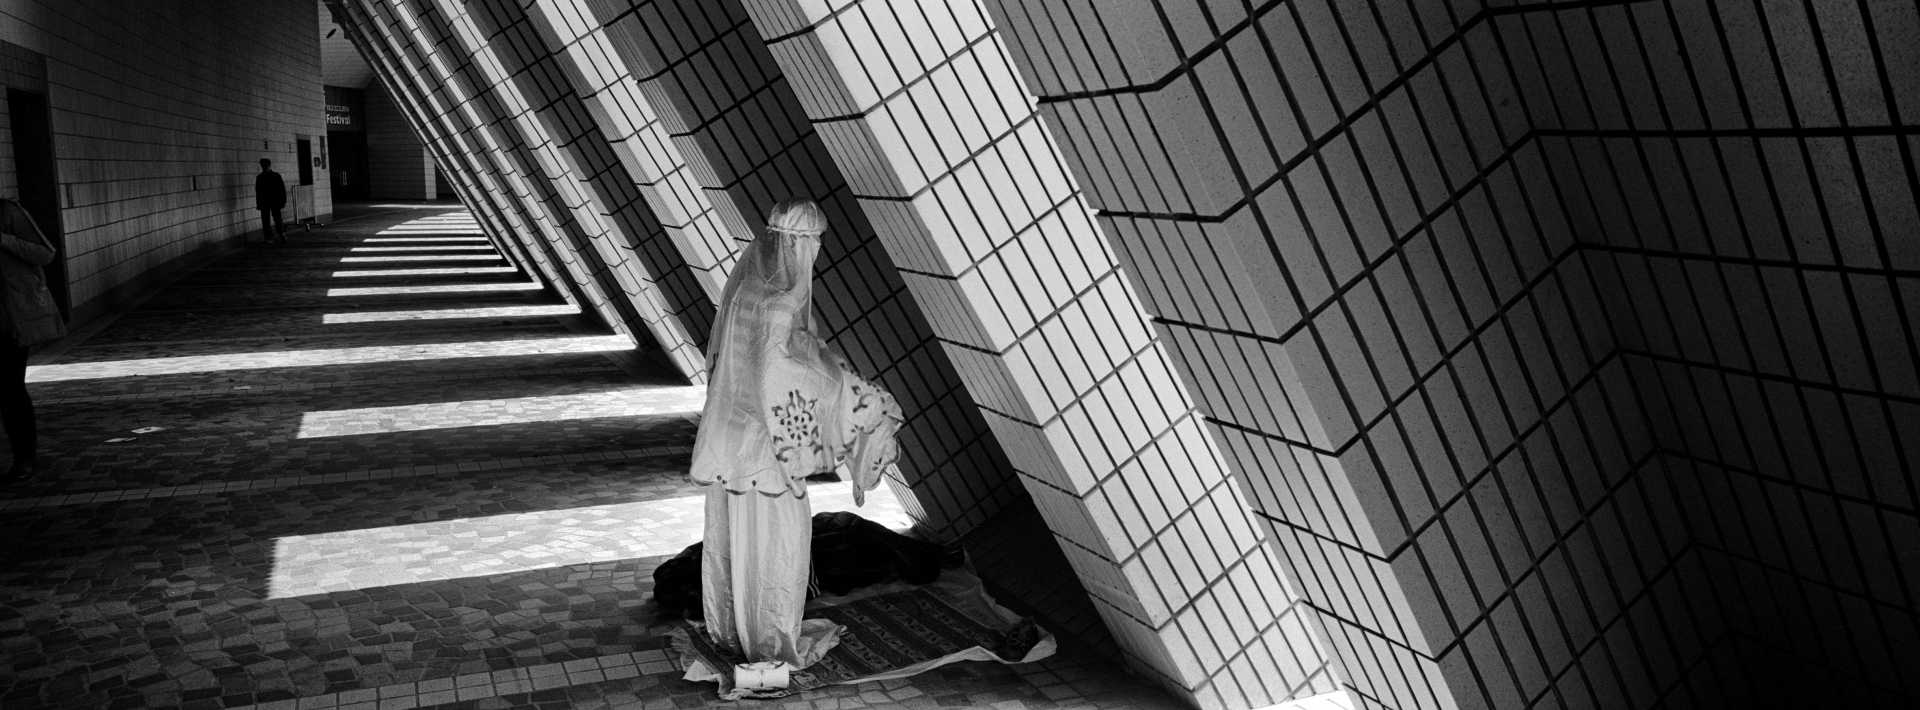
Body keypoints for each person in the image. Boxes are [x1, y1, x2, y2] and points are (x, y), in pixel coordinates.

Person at [691, 199, 904, 674]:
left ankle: (731, 628)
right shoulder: (784, 304)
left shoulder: (744, 290)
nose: (819, 251)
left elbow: (728, 363)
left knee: (735, 540)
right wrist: (858, 398)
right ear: (798, 243)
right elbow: (785, 374)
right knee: (778, 544)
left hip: (730, 438)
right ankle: (771, 639)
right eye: (815, 241)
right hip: (767, 449)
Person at [0, 198, 65, 482]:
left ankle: (24, 458)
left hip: (8, 319)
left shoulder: (6, 212)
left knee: (10, 389)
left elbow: (45, 253)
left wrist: (3, 239)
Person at [255, 158, 287, 244]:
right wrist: (283, 201)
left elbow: (258, 192)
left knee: (267, 220)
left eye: (263, 165)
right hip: (274, 201)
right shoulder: (275, 176)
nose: (263, 167)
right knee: (277, 218)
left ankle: (270, 237)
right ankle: (281, 234)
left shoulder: (260, 177)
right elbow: (282, 190)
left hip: (266, 201)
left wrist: (258, 203)